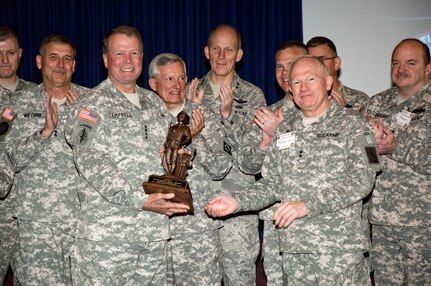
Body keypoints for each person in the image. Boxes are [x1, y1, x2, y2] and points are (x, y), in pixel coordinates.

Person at [206, 55, 378, 285]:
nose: (303, 88)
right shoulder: (285, 127)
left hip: (338, 251)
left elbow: (362, 180)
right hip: (294, 249)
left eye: (310, 79)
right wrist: (237, 202)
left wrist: (307, 206)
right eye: (296, 82)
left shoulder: (355, 124)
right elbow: (273, 183)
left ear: (328, 82)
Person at [66, 26, 190, 285]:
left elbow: (167, 156)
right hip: (108, 240)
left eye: (133, 53)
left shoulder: (154, 102)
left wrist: (180, 157)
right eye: (119, 53)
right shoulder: (90, 105)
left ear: (142, 58)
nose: (127, 61)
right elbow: (91, 160)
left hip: (153, 234)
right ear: (105, 59)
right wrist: (140, 199)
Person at [1, 33, 88, 285]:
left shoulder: (92, 102)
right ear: (39, 62)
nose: (60, 64)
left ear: (74, 65)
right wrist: (44, 133)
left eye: (67, 58)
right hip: (35, 222)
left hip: (80, 219)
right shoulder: (14, 106)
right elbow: (7, 159)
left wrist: (77, 122)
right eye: (53, 57)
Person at [148, 52, 233, 285]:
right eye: (169, 79)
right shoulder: (143, 117)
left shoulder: (204, 115)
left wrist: (193, 139)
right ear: (153, 83)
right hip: (153, 231)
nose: (177, 86)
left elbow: (221, 167)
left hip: (196, 233)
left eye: (181, 78)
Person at [195, 24, 266, 286]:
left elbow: (251, 159)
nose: (222, 56)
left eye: (229, 50)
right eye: (216, 49)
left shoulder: (252, 95)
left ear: (239, 54)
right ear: (206, 52)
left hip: (238, 208)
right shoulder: (192, 93)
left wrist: (228, 116)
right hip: (199, 207)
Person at [238, 41, 308, 285]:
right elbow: (246, 165)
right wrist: (266, 140)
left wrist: (280, 134)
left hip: (316, 226)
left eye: (292, 65)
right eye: (280, 66)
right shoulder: (267, 113)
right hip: (276, 223)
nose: (285, 73)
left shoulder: (323, 114)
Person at [365, 38, 431, 285]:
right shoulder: (376, 102)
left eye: (410, 63)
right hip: (382, 219)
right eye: (396, 63)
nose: (401, 69)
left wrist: (397, 147)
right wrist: (373, 150)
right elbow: (366, 155)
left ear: (428, 69)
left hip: (423, 223)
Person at [0, 26, 36, 285]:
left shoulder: (37, 94)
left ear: (20, 54)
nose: (4, 60)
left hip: (31, 210)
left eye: (10, 53)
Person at [306, 36, 369, 112]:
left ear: (336, 63)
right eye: (312, 61)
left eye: (322, 60)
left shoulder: (360, 100)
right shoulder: (305, 100)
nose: (317, 65)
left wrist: (346, 113)